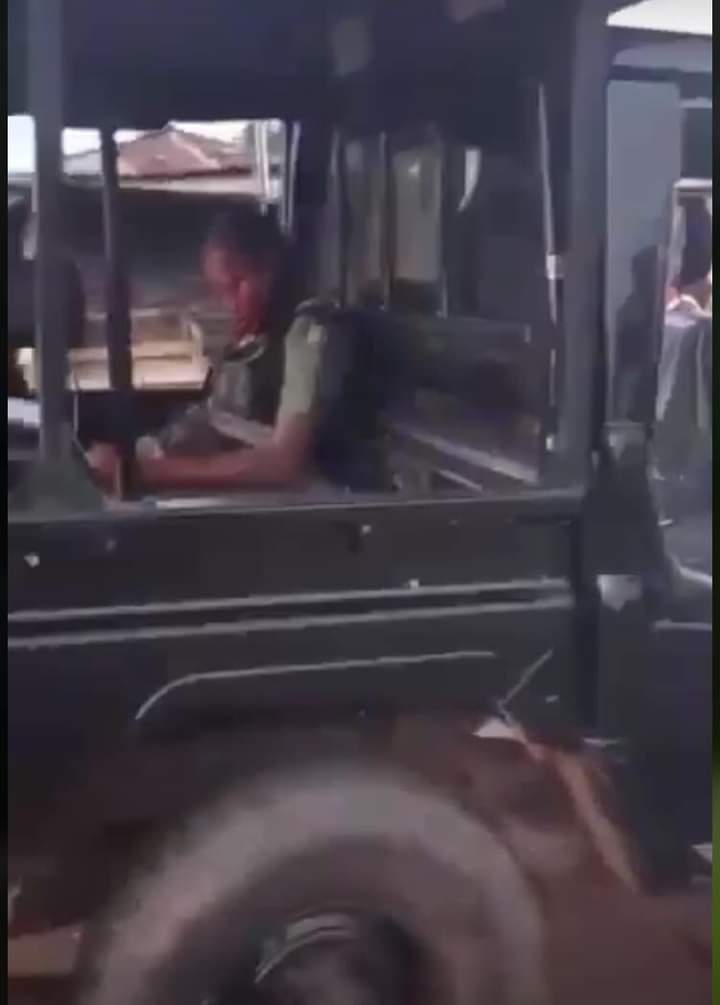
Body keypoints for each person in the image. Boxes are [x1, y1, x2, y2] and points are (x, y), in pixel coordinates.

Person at [88, 205, 330, 493]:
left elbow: (284, 463)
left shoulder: (305, 334)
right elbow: (216, 419)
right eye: (219, 291)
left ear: (270, 269)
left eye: (236, 285)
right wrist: (140, 453)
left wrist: (140, 471)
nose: (228, 304)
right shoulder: (257, 341)